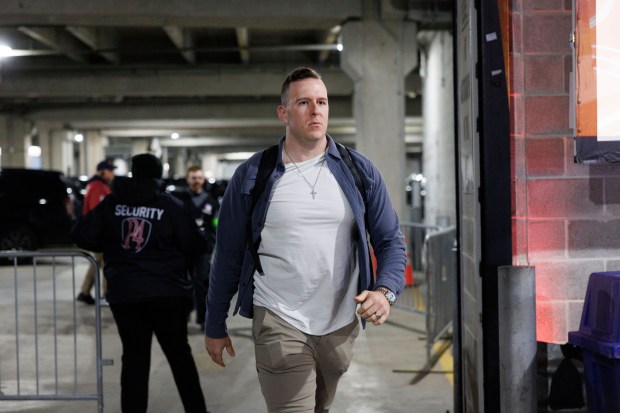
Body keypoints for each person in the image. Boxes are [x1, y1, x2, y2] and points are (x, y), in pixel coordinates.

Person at [204, 67, 406, 412]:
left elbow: (390, 240)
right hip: (279, 317)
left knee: (320, 408)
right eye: (304, 102)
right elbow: (228, 254)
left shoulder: (358, 170)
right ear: (284, 113)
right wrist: (214, 322)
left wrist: (386, 291)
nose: (316, 110)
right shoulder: (254, 175)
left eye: (322, 101)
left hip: (341, 321)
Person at [72, 153, 209, 413]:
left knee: (134, 358)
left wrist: (112, 247)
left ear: (133, 173)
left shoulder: (113, 203)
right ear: (158, 175)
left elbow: (81, 233)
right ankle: (197, 410)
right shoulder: (169, 205)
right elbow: (196, 243)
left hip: (126, 294)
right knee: (180, 356)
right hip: (168, 294)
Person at [173, 165, 219, 329]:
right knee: (182, 283)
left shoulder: (211, 203)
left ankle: (203, 318)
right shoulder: (178, 200)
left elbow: (215, 225)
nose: (196, 181)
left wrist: (211, 243)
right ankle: (183, 316)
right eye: (193, 178)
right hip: (182, 250)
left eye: (199, 177)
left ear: (203, 180)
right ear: (188, 179)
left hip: (202, 251)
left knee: (202, 284)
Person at [76, 159, 116, 305]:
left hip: (99, 231)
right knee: (106, 262)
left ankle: (84, 292)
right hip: (101, 232)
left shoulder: (98, 185)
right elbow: (97, 210)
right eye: (110, 170)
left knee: (97, 262)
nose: (113, 173)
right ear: (102, 172)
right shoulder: (97, 186)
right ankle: (106, 295)